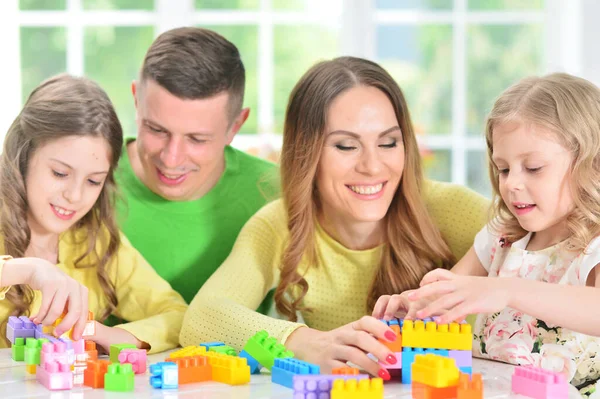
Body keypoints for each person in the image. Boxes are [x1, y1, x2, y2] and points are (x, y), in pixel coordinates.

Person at [180, 57, 489, 379]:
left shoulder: (450, 207)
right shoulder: (281, 225)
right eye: (345, 146)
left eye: (388, 142)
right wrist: (308, 342)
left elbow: (544, 248)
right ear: (307, 151)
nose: (372, 166)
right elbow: (201, 317)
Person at [375, 73, 600, 393]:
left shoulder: (594, 245)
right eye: (503, 168)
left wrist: (507, 289)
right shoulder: (500, 237)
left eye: (533, 167)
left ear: (593, 164)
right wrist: (415, 310)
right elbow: (449, 296)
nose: (510, 183)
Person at [0, 74, 187, 353]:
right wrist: (23, 270)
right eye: (60, 173)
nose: (74, 196)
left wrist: (108, 335)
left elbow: (178, 315)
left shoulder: (97, 242)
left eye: (93, 181)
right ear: (24, 156)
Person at [116, 27, 278, 305]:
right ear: (135, 99)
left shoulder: (276, 193)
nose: (171, 158)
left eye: (197, 139)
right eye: (156, 129)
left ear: (235, 126)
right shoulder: (85, 182)